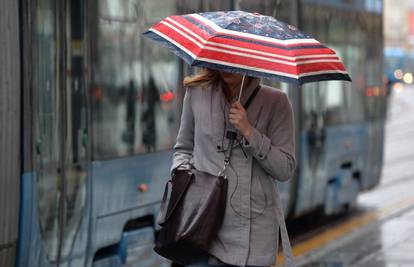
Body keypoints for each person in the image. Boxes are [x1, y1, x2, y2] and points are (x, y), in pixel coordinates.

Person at [171, 68, 296, 267]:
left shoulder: (277, 102)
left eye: (236, 62)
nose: (228, 67)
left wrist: (249, 131)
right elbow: (183, 149)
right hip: (200, 225)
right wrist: (188, 185)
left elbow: (285, 169)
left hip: (252, 238)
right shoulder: (196, 93)